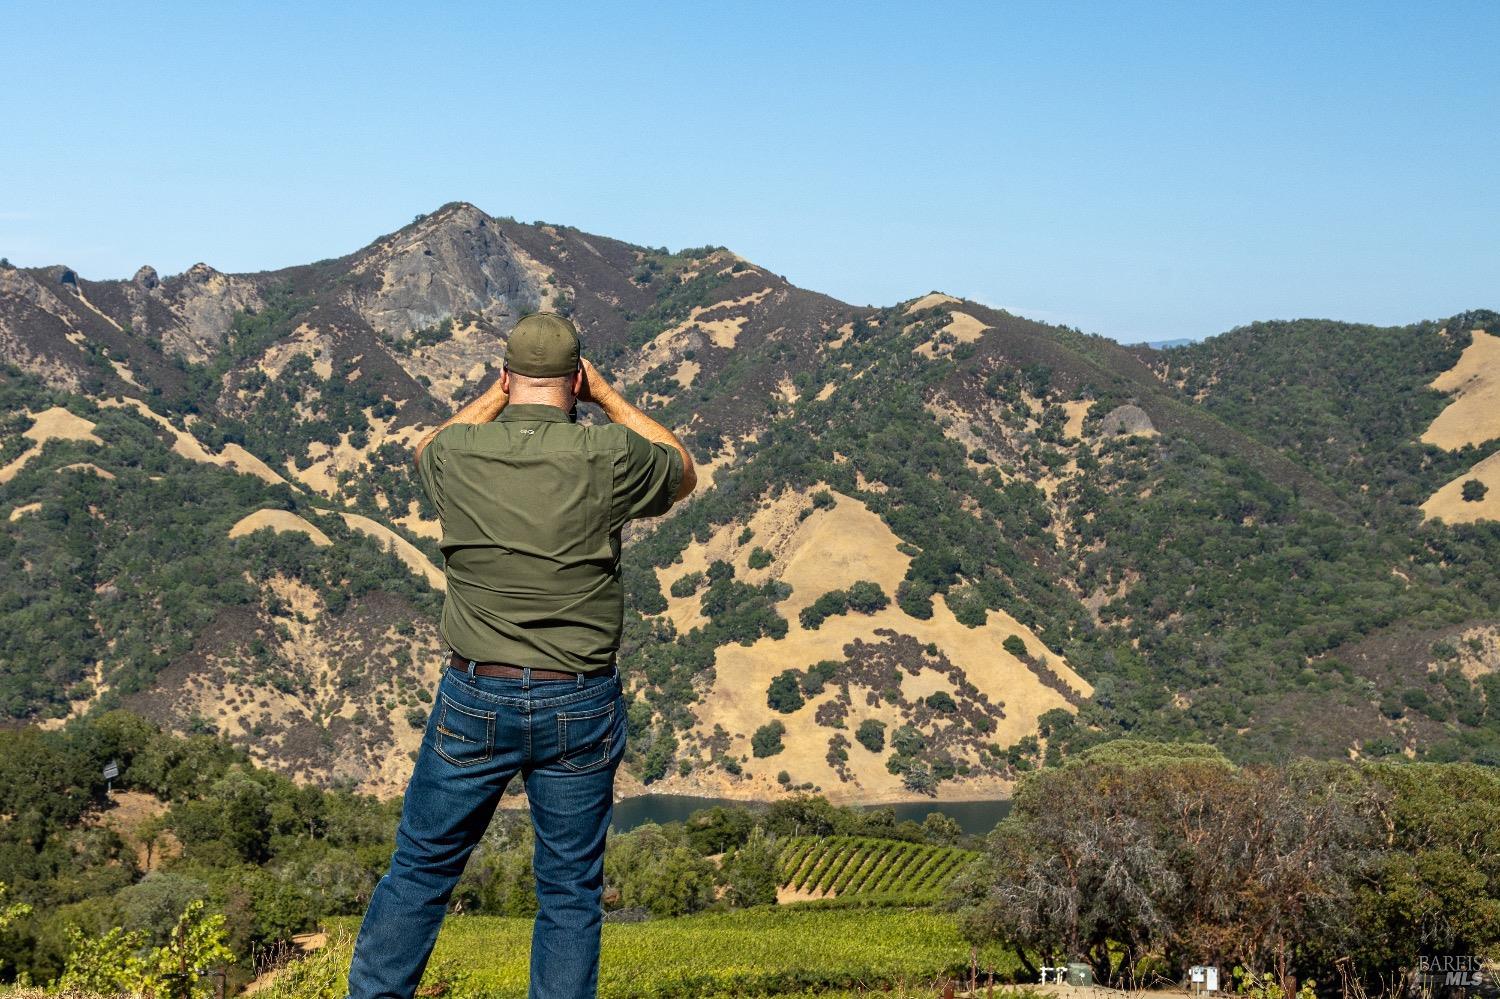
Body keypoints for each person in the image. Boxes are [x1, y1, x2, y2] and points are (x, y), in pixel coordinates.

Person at [346, 312, 696, 999]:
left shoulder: (460, 455)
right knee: (569, 893)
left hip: (475, 696)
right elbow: (683, 471)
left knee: (420, 870)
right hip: (580, 701)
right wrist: (609, 398)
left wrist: (496, 395)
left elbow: (424, 448)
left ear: (507, 377)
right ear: (576, 381)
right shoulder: (609, 456)